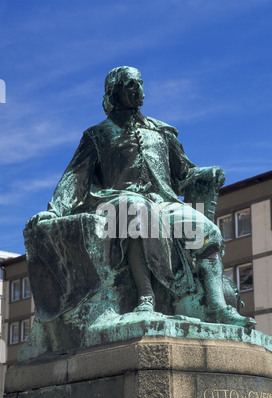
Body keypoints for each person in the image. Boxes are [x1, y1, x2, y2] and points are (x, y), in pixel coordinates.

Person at [25, 66, 255, 328]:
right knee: (137, 209)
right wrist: (54, 210)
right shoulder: (97, 135)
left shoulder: (161, 131)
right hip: (115, 199)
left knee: (206, 231)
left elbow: (183, 172)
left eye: (141, 84)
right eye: (132, 86)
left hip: (164, 201)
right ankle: (146, 298)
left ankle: (216, 307)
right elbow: (75, 177)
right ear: (115, 92)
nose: (140, 91)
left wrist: (206, 173)